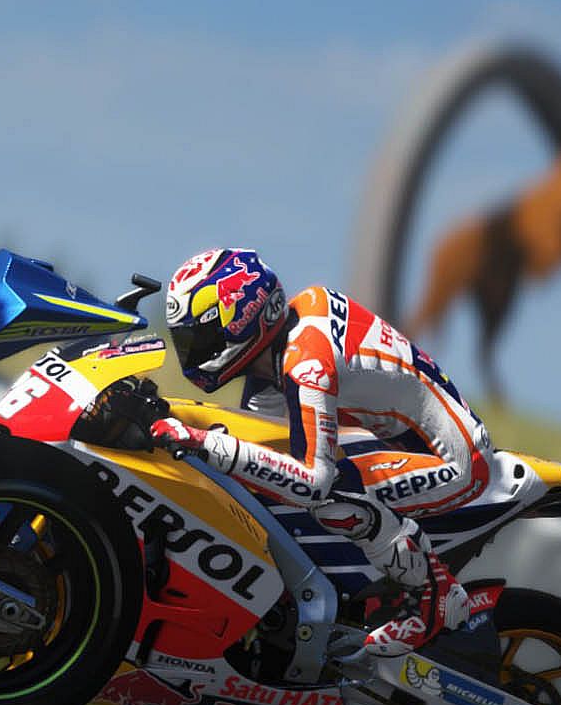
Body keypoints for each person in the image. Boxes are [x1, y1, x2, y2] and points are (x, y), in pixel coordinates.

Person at [149, 247, 492, 656]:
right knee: (268, 480)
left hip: (455, 461)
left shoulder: (306, 363)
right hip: (394, 443)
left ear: (243, 317)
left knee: (332, 498)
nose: (194, 353)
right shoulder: (278, 350)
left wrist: (202, 442)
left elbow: (314, 482)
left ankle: (435, 594)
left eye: (201, 338)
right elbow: (261, 451)